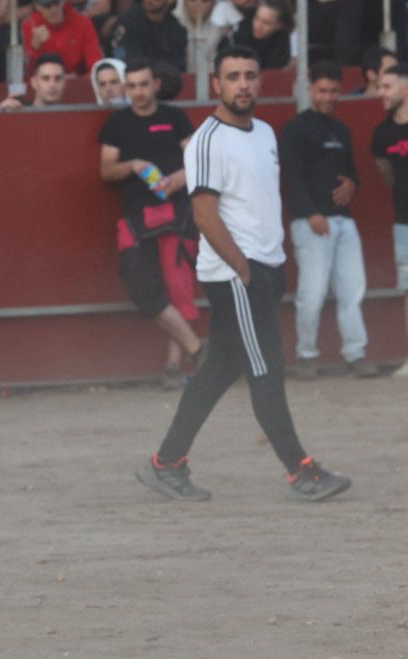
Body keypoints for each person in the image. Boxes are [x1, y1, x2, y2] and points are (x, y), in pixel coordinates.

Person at [137, 47, 350, 503]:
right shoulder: (207, 140)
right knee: (266, 369)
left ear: (260, 81)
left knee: (220, 367)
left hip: (263, 268)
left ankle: (166, 462)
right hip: (237, 273)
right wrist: (243, 267)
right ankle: (301, 470)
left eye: (250, 75)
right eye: (233, 76)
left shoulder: (265, 133)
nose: (243, 84)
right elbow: (203, 212)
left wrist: (270, 265)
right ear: (217, 84)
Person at [98, 58, 206, 388]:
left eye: (144, 85)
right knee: (142, 288)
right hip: (137, 217)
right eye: (132, 86)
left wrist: (180, 178)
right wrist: (132, 165)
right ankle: (199, 350)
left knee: (179, 291)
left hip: (178, 213)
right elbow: (106, 171)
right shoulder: (118, 123)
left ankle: (174, 367)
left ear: (155, 84)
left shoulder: (174, 117)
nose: (139, 92)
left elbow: (199, 161)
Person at [284, 61, 372, 379]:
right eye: (322, 90)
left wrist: (351, 184)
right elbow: (292, 176)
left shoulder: (341, 129)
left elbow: (351, 172)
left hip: (343, 220)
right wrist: (311, 214)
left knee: (353, 289)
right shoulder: (295, 129)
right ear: (310, 89)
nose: (328, 97)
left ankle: (355, 352)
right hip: (312, 222)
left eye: (334, 91)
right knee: (313, 292)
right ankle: (306, 355)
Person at [372, 60, 408, 372]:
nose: (380, 92)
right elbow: (386, 174)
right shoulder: (383, 133)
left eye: (387, 86)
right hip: (404, 221)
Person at [21, 0, 102, 75]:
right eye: (46, 5)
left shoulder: (82, 23)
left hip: (77, 82)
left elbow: (95, 64)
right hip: (46, 85)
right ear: (37, 7)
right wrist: (35, 48)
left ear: (63, 1)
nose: (53, 9)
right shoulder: (30, 26)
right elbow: (28, 72)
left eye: (56, 3)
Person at [110, 0, 188, 68]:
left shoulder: (177, 30)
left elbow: (178, 67)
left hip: (164, 81)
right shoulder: (128, 22)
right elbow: (127, 60)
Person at [219, 1, 290, 71]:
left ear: (279, 25)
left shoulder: (282, 41)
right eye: (257, 18)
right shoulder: (241, 32)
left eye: (266, 23)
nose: (258, 26)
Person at [0, 51, 66, 111]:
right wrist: (4, 115)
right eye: (45, 78)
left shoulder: (72, 116)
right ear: (34, 82)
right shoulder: (19, 112)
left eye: (58, 78)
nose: (52, 85)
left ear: (64, 82)